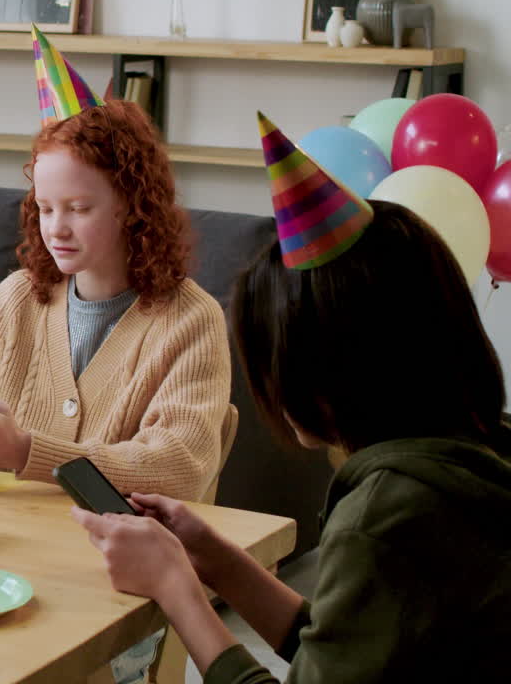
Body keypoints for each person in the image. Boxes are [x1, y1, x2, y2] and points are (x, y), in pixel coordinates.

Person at [75, 114, 511, 682]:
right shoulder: (476, 454)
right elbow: (344, 650)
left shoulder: (390, 514)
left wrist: (176, 589)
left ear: (328, 367)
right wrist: (216, 560)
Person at [0, 30, 233, 503]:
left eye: (79, 208)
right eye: (45, 208)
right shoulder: (14, 299)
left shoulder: (191, 321)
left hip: (131, 558)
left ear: (133, 205)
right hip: (11, 544)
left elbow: (179, 466)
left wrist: (25, 451)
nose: (56, 229)